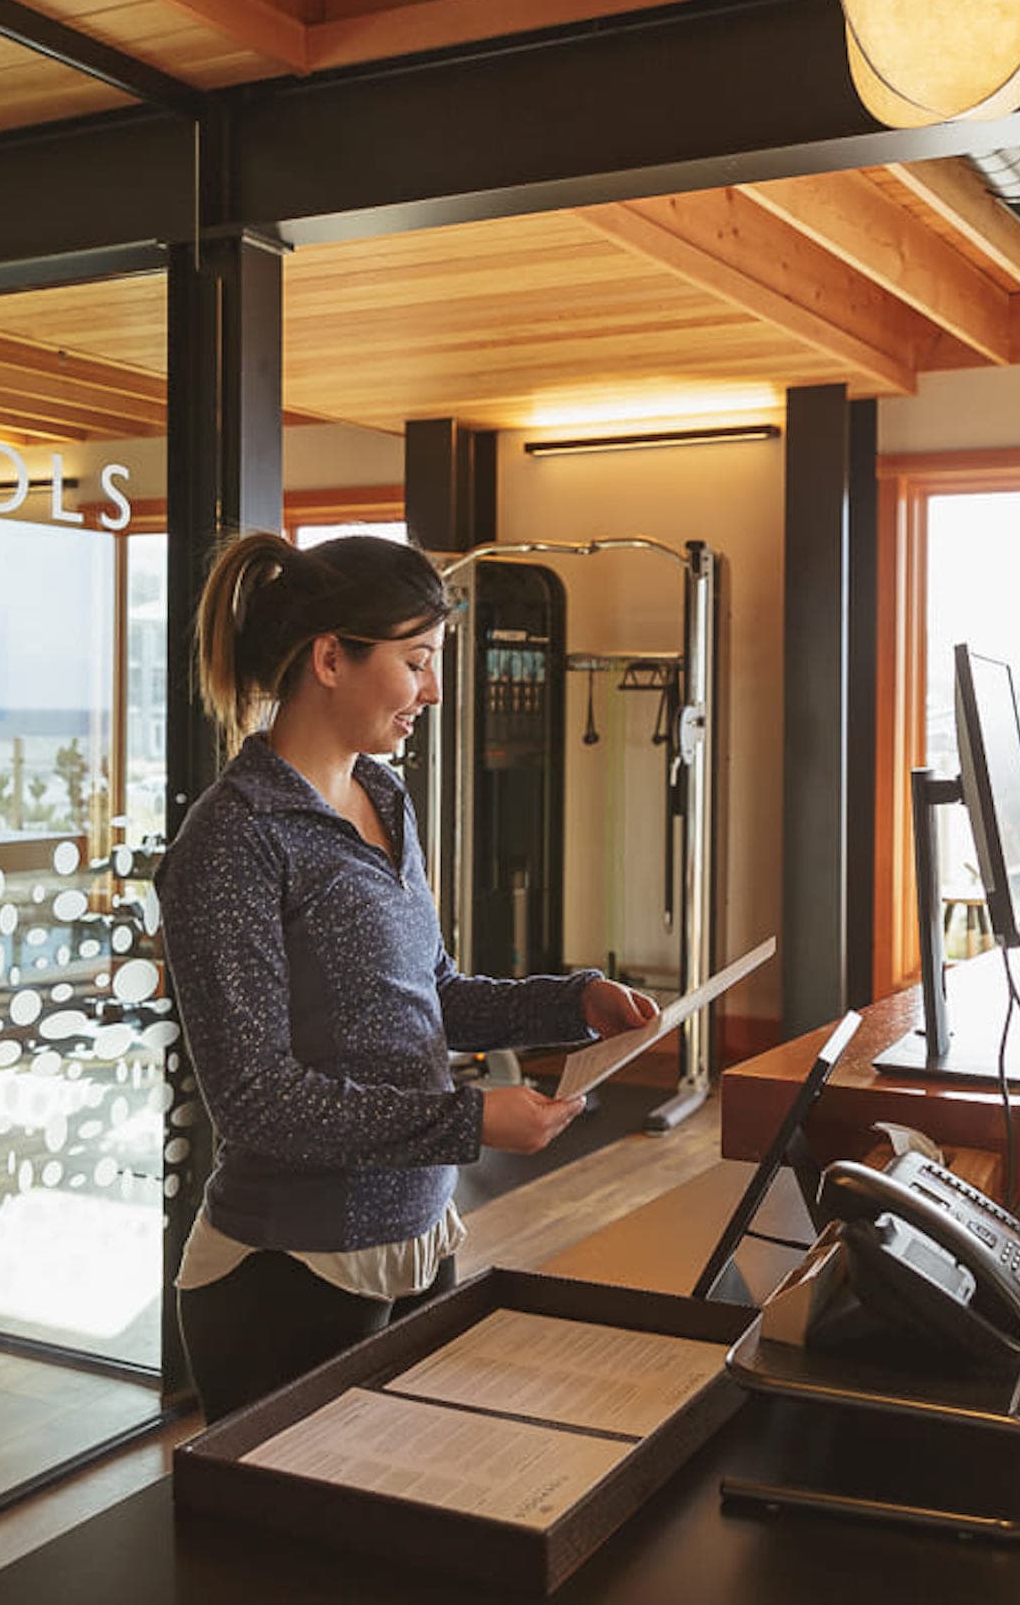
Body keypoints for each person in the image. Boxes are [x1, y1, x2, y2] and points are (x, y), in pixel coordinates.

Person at [157, 531, 657, 1421]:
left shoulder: (384, 797)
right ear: (330, 659)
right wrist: (468, 1118)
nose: (432, 689)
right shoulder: (233, 841)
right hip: (288, 1277)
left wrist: (571, 1000)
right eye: (417, 660)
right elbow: (258, 1101)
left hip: (420, 1238)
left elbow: (433, 994)